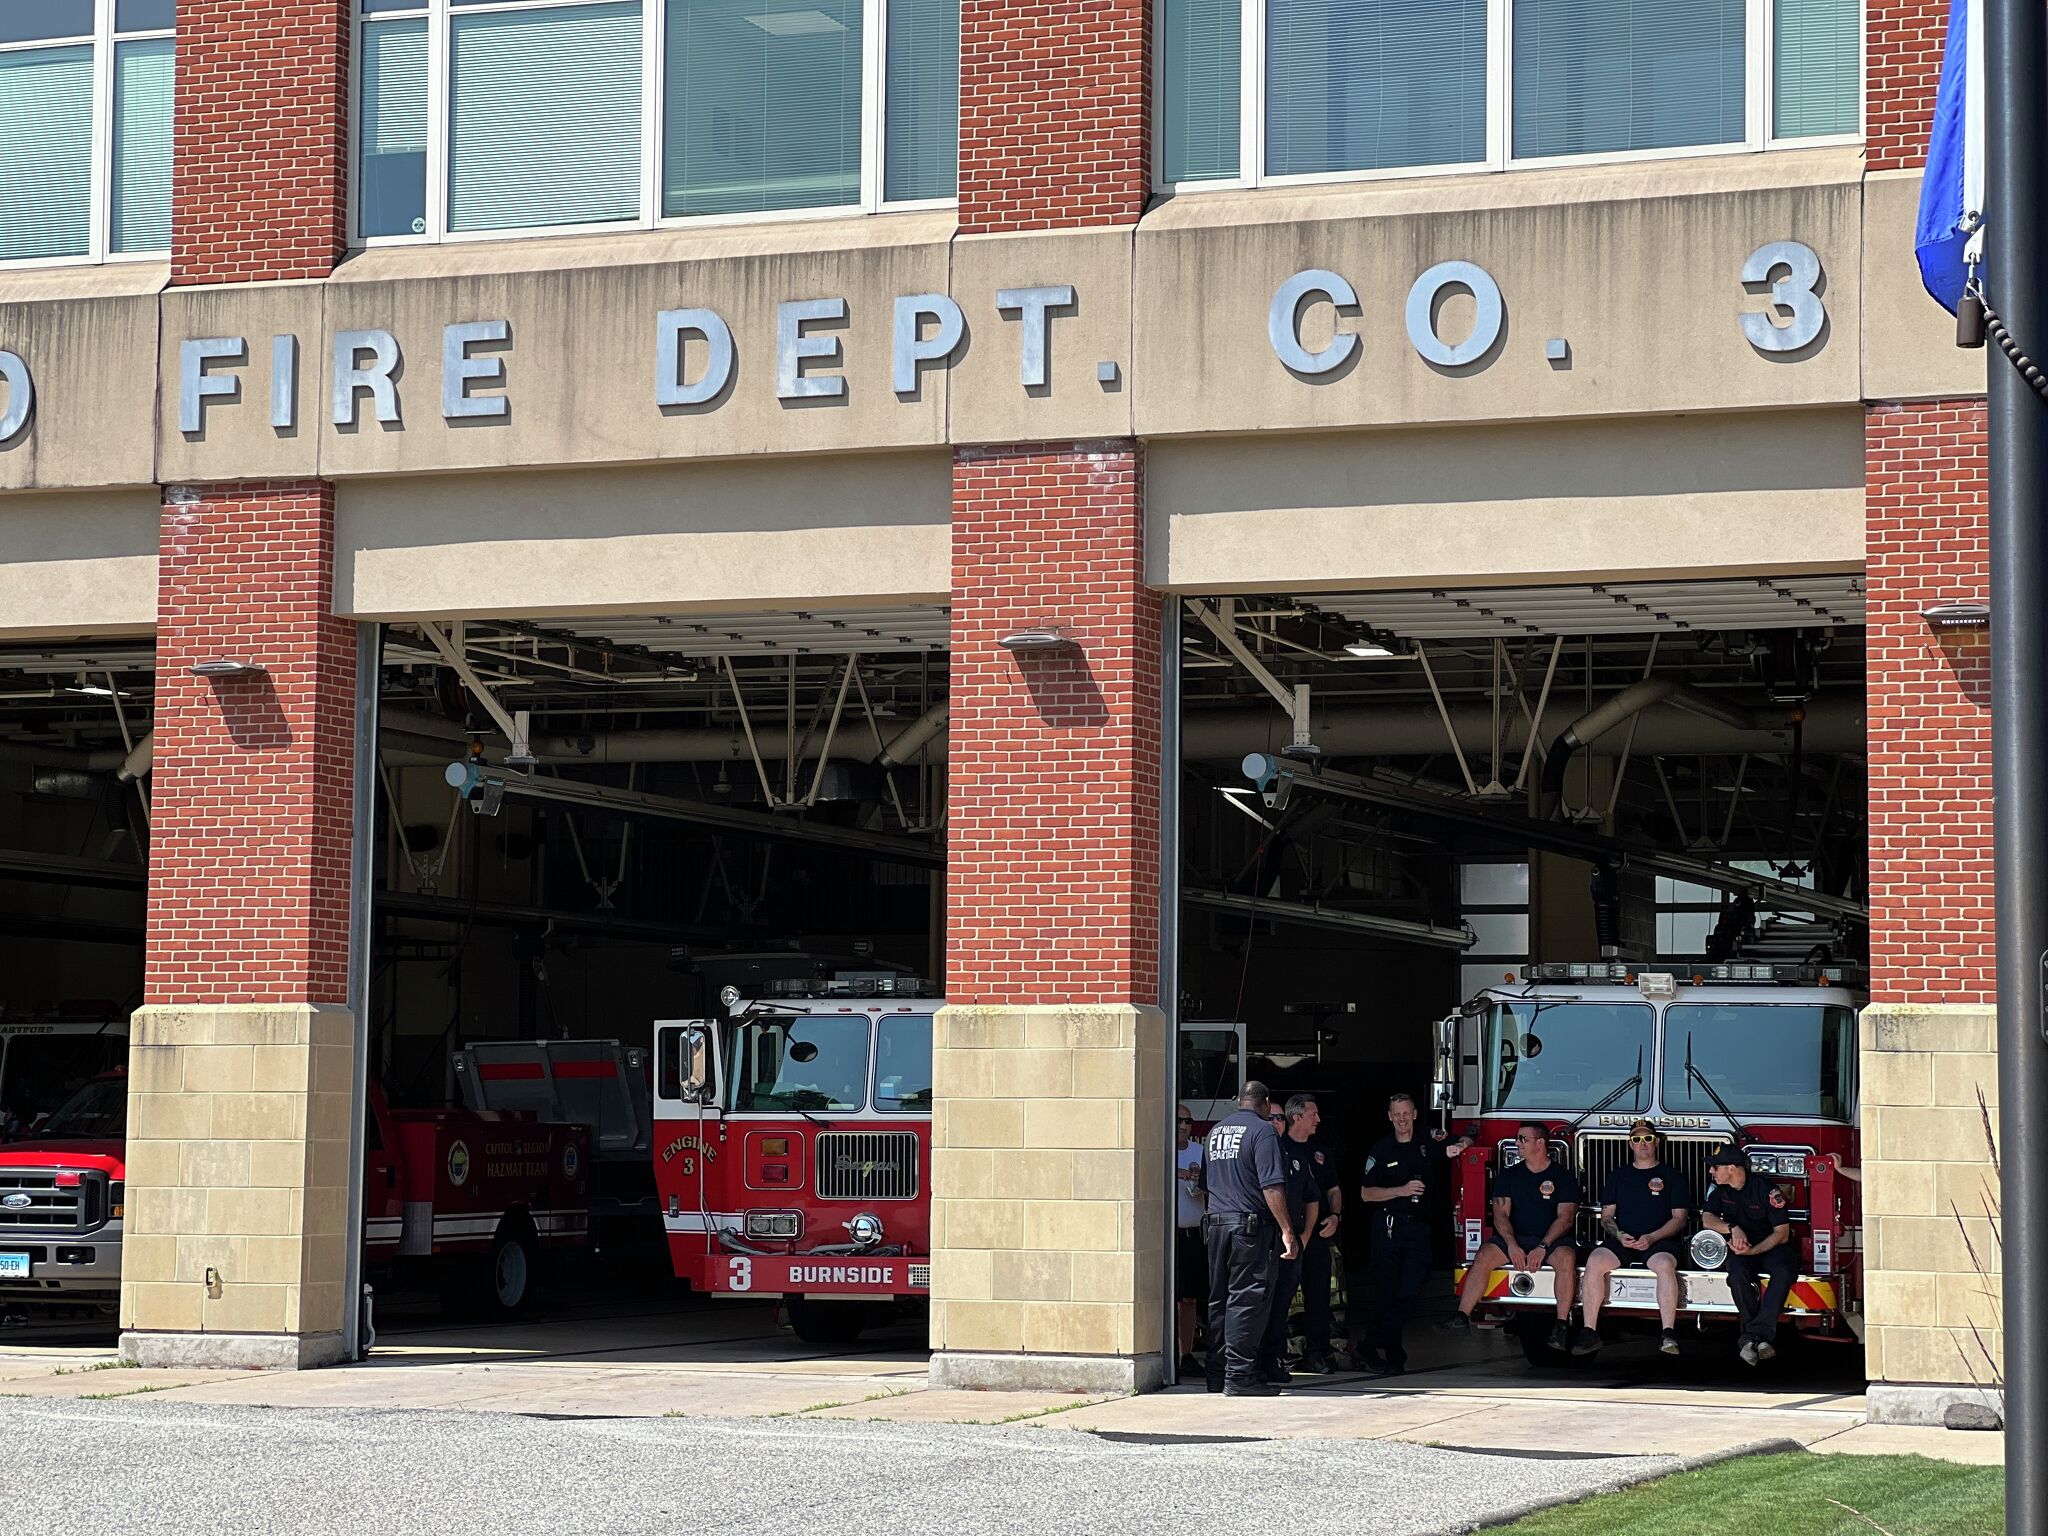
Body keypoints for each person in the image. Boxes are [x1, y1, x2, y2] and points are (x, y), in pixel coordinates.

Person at [1356, 1091, 1471, 1375]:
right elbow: (1366, 1194)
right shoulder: (1380, 1150)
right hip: (1389, 1227)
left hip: (1419, 1227)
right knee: (1387, 1293)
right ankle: (1392, 1355)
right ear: (1389, 1117)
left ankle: (1369, 1345)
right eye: (1396, 1114)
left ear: (1415, 1114)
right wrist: (1401, 1190)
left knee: (1411, 1290)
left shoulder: (1427, 1140)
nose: (1402, 1119)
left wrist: (1462, 1146)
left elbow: (1462, 1140)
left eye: (1406, 1113)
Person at [1199, 1081, 1301, 1396]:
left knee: (1220, 1301)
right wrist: (1287, 1230)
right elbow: (1272, 1186)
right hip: (1249, 1228)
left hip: (1216, 1225)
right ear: (1265, 1103)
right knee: (1246, 1301)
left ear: (1239, 1101)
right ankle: (1240, 1378)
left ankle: (1217, 1376)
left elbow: (1206, 1184)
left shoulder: (1215, 1133)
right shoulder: (1263, 1131)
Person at [1442, 1122, 1580, 1352]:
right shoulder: (1509, 1175)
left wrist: (1543, 1246)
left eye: (1523, 1139)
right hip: (1515, 1239)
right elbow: (1500, 1216)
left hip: (1551, 1242)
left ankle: (1561, 1325)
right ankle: (1461, 1316)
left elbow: (1565, 1219)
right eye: (1517, 1139)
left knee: (1566, 1258)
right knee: (1484, 1255)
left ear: (1540, 1143)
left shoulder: (1562, 1176)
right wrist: (1512, 1245)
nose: (1517, 1143)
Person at [1574, 1119, 1691, 1357]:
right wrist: (1619, 1235)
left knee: (1665, 1265)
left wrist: (1652, 1237)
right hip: (1623, 1241)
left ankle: (1668, 1332)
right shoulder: (1618, 1176)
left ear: (1656, 1142)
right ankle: (1589, 1331)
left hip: (1659, 1241)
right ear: (1631, 1144)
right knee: (1595, 1262)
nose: (1642, 1143)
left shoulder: (1672, 1176)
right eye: (1637, 1139)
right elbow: (1606, 1216)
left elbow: (1679, 1218)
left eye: (1647, 1138)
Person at [1701, 1143, 1798, 1366]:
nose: (1711, 1172)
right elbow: (1708, 1219)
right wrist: (1732, 1228)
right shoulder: (1720, 1191)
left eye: (1715, 1167)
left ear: (1733, 1168)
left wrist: (1753, 1249)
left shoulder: (1767, 1190)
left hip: (1771, 1246)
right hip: (1742, 1247)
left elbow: (1781, 1234)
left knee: (1784, 1271)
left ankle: (1751, 1336)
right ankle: (1758, 1338)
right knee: (1736, 1273)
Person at [1258, 1099, 1323, 1383]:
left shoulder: (1295, 1156)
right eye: (1270, 1118)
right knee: (1256, 1303)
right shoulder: (1255, 1153)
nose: (1276, 1123)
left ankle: (1274, 1361)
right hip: (1259, 1241)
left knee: (1282, 1304)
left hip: (1290, 1244)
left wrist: (1304, 1237)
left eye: (1280, 1118)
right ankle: (1250, 1363)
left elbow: (1312, 1198)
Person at [1284, 1094, 1344, 1373]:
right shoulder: (1278, 1149)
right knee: (1279, 1294)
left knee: (1318, 1295)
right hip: (1285, 1235)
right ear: (1296, 1117)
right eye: (1313, 1114)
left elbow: (1333, 1189)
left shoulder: (1321, 1152)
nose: (1318, 1119)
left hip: (1319, 1234)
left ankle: (1317, 1351)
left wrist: (1335, 1216)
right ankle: (1274, 1352)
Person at [1175, 1103, 1208, 1376]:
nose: (1184, 1125)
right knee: (1168, 1297)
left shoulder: (1200, 1153)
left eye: (1188, 1121)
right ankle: (1168, 1351)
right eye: (1179, 1120)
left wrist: (1200, 1182)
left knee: (1189, 1298)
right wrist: (1180, 1174)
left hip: (1193, 1233)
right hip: (1168, 1235)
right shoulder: (1161, 1151)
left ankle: (1186, 1353)